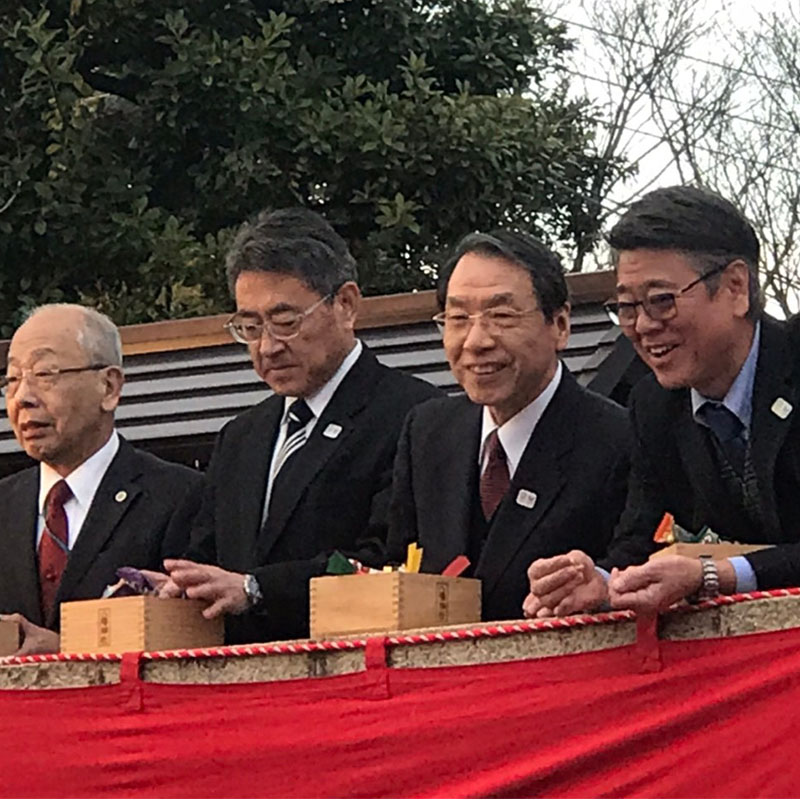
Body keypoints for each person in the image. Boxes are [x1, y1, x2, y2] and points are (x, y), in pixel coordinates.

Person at [159, 208, 441, 643]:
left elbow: (390, 561)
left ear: (345, 305)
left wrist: (257, 589)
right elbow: (206, 554)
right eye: (250, 327)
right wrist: (179, 586)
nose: (267, 347)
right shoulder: (242, 436)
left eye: (286, 322)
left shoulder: (417, 416)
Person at [525, 184, 800, 618]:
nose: (643, 326)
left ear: (735, 287)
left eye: (661, 301)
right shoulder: (654, 404)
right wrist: (600, 581)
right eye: (628, 306)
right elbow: (639, 535)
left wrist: (715, 575)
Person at [386, 230, 631, 621]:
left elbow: (633, 571)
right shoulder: (427, 432)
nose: (476, 340)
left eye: (501, 316)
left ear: (561, 325)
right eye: (458, 318)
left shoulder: (618, 439)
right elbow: (398, 568)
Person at [0, 304, 201, 654]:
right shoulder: (5, 505)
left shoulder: (181, 498)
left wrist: (66, 649)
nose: (23, 398)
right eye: (12, 379)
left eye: (45, 374)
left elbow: (193, 642)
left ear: (108, 387)